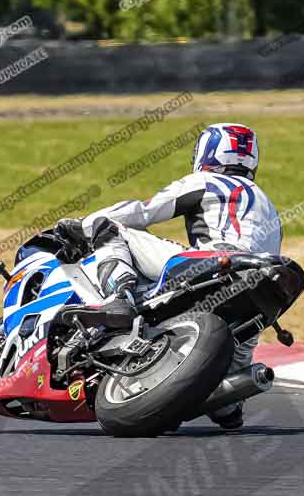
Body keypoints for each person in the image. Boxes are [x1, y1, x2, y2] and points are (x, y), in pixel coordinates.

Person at [57, 123, 282, 429]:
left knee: (111, 228)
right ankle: (229, 402)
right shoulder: (269, 207)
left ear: (208, 151)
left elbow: (142, 212)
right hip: (259, 283)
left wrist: (84, 224)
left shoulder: (207, 180)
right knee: (242, 343)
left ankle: (119, 296)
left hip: (215, 262)